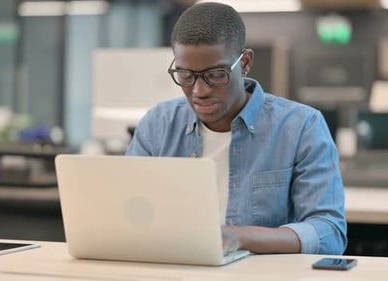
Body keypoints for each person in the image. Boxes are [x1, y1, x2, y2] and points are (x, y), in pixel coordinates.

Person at [126, 2, 347, 255]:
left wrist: (239, 237)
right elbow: (128, 214)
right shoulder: (158, 125)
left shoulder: (301, 127)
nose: (200, 91)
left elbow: (329, 233)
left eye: (216, 74)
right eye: (186, 75)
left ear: (245, 63)